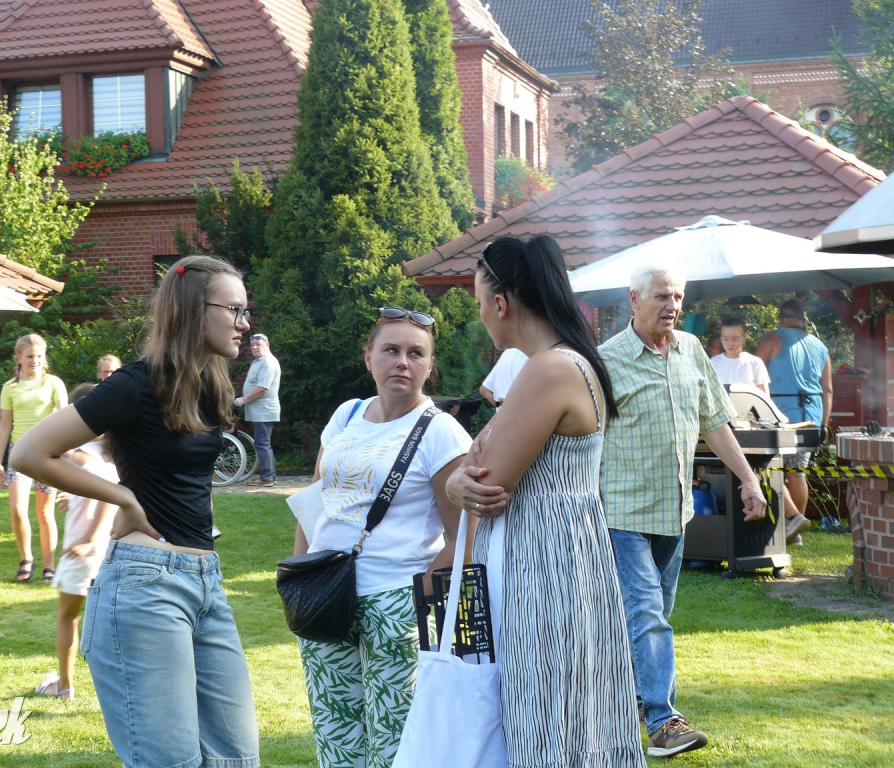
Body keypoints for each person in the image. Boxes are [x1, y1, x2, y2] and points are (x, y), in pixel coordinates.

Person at [11, 255, 259, 768]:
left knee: (236, 759)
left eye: (245, 310)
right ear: (193, 310)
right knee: (172, 762)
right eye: (234, 309)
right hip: (145, 585)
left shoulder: (211, 387)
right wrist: (123, 496)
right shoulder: (135, 384)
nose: (245, 322)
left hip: (206, 581)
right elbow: (29, 453)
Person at [445, 236, 644, 767]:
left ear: (503, 304)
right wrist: (462, 475)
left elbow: (486, 484)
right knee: (575, 712)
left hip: (538, 565)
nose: (482, 313)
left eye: (479, 301)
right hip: (569, 558)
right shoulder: (570, 362)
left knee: (542, 714)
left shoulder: (548, 368)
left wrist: (454, 482)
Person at [598, 264, 766, 757]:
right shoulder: (606, 361)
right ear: (634, 299)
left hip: (675, 511)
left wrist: (749, 480)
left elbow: (715, 423)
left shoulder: (692, 351)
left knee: (649, 616)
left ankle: (625, 703)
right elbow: (585, 440)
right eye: (661, 296)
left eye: (677, 297)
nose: (671, 305)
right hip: (623, 512)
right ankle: (663, 721)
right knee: (648, 614)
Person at [295, 307, 470, 767]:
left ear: (429, 367)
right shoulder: (346, 415)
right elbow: (318, 499)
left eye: (416, 354)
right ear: (368, 357)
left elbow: (463, 534)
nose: (402, 362)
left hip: (396, 604)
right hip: (324, 596)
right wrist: (298, 576)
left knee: (396, 743)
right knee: (336, 736)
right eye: (391, 350)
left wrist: (418, 600)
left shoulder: (441, 432)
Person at [35, 382, 117, 701]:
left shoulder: (80, 455)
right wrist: (77, 497)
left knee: (68, 617)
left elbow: (108, 498)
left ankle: (65, 687)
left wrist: (89, 540)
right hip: (112, 550)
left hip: (85, 551)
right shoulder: (112, 452)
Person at [755, 298, 832, 544]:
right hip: (813, 416)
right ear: (802, 319)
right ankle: (794, 529)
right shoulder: (820, 346)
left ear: (781, 318)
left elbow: (752, 372)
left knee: (771, 469)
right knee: (797, 472)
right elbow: (828, 390)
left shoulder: (771, 338)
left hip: (781, 415)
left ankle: (793, 521)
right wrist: (824, 424)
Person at [0, 334, 67, 584]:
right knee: (17, 508)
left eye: (38, 356)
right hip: (19, 454)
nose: (34, 360)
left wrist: (64, 454)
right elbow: (4, 426)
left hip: (47, 454)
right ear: (19, 358)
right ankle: (26, 559)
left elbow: (63, 420)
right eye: (29, 356)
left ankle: (49, 564)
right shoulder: (9, 387)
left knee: (45, 513)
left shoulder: (54, 383)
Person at [234, 333, 281, 486]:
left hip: (264, 410)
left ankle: (267, 478)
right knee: (263, 443)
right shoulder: (259, 362)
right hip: (259, 410)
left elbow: (262, 388)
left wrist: (242, 400)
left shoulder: (268, 363)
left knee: (262, 444)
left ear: (267, 345)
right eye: (252, 345)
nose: (254, 347)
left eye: (258, 345)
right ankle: (269, 476)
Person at [711, 316, 771, 395]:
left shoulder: (755, 363)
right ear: (721, 338)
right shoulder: (713, 363)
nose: (730, 343)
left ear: (744, 337)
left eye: (735, 339)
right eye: (726, 339)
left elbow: (765, 396)